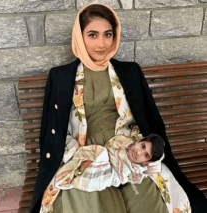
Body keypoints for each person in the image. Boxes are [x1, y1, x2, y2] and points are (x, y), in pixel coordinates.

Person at [29, 3, 207, 213]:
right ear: (79, 36)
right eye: (92, 35)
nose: (102, 44)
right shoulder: (60, 77)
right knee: (88, 204)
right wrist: (77, 158)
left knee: (150, 202)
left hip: (128, 150)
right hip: (85, 153)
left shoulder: (130, 72)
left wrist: (144, 149)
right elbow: (53, 130)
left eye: (108, 34)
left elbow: (150, 118)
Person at [40, 133, 191, 213]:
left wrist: (98, 162)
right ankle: (79, 166)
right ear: (138, 141)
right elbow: (111, 145)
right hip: (101, 155)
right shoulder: (124, 143)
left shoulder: (135, 170)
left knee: (100, 160)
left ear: (146, 162)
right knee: (89, 152)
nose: (139, 152)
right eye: (142, 146)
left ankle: (83, 171)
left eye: (146, 155)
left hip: (110, 172)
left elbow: (119, 176)